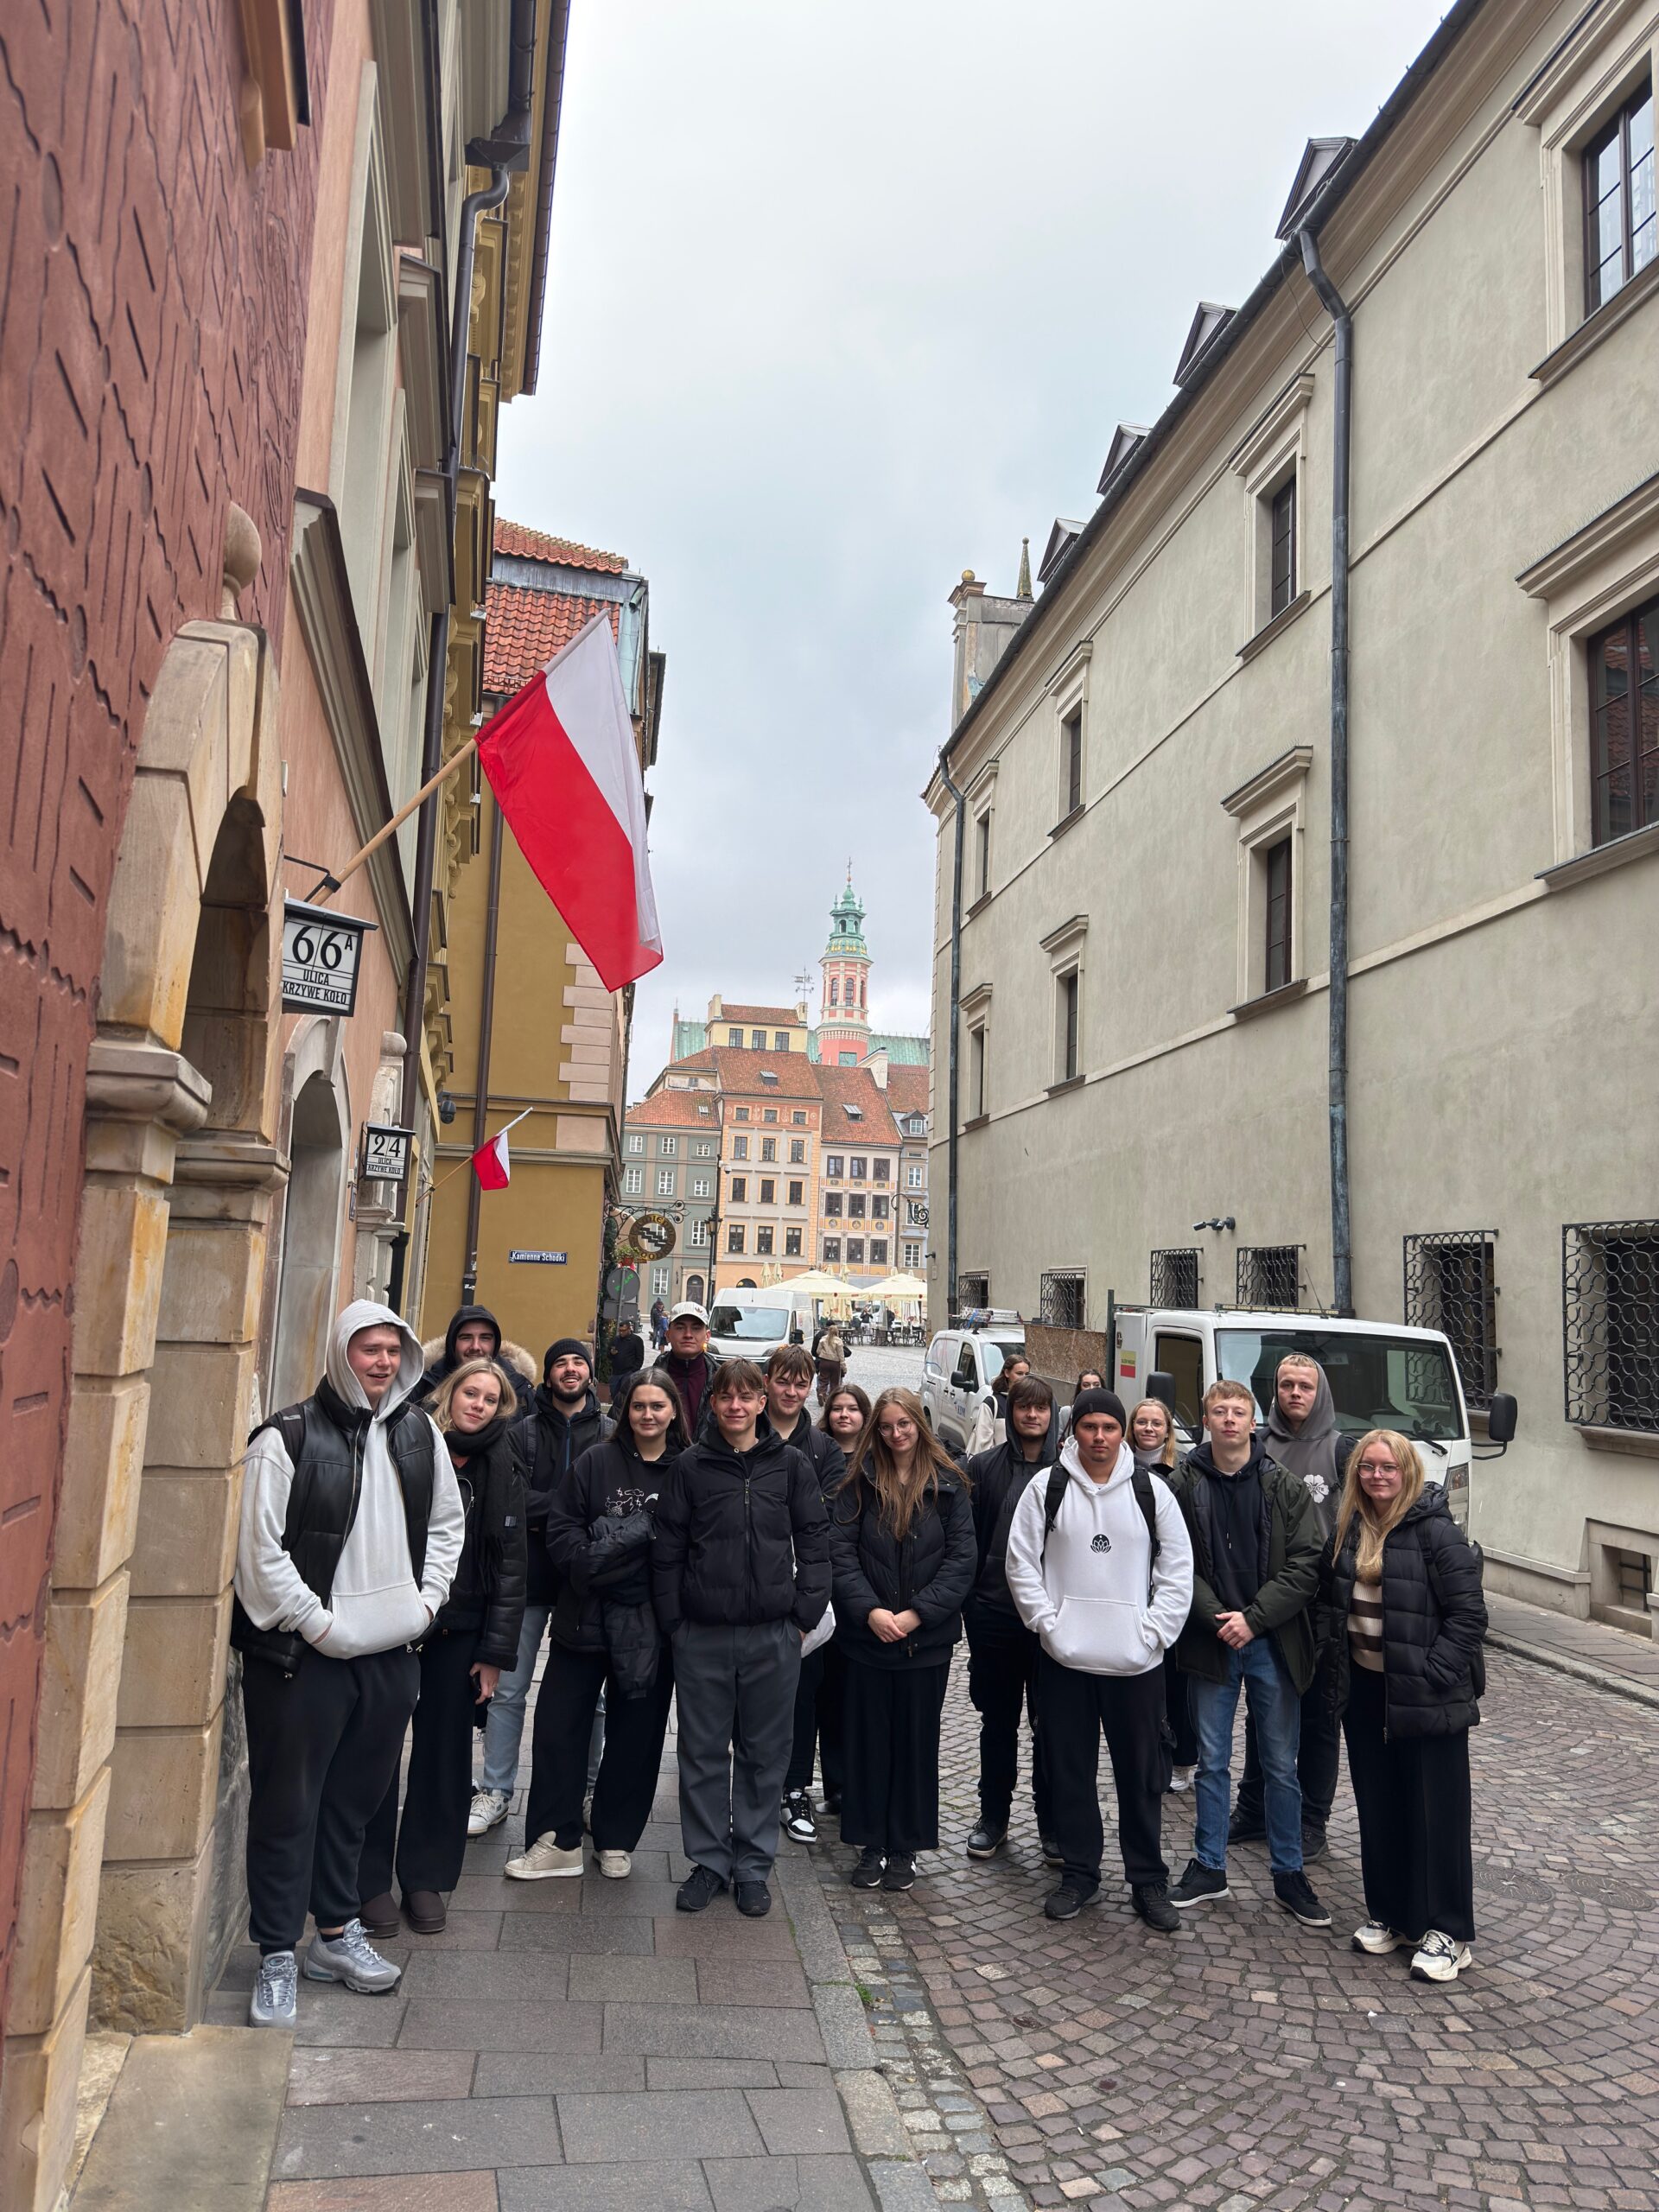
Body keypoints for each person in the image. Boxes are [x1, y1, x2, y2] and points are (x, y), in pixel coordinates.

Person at [232, 1300, 465, 2029]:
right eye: (369, 1349)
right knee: (287, 1806)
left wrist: (426, 1605)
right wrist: (318, 1623)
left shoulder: (420, 1434)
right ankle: (277, 1951)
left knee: (355, 1805)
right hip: (304, 1658)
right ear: (341, 1353)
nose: (383, 1362)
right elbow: (260, 1554)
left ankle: (333, 1935)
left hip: (392, 1653)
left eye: (393, 1350)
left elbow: (448, 1526)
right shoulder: (287, 1437)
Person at [1005, 1388, 1192, 1931]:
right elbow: (1021, 1563)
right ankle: (1080, 1873)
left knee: (1142, 1777)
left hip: (1136, 1664)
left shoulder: (1151, 1491)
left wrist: (1153, 1633)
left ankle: (1147, 1880)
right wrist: (1049, 1625)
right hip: (1066, 1662)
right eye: (1090, 1427)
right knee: (1069, 1773)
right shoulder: (1047, 1487)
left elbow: (1178, 1569)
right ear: (1075, 1431)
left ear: (1121, 1432)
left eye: (1109, 1427)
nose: (1100, 1437)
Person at [652, 1358, 830, 1917]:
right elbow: (667, 1549)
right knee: (703, 1752)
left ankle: (752, 1865)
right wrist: (676, 1624)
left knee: (764, 1754)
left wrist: (803, 1615)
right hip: (702, 1635)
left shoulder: (791, 1465)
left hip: (774, 1635)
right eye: (726, 1397)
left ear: (760, 1402)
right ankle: (709, 1861)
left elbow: (816, 1541)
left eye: (746, 1396)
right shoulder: (690, 1466)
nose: (736, 1406)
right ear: (714, 1404)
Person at [359, 1357, 527, 1934]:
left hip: (461, 1629)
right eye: (470, 1393)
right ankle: (367, 1881)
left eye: (490, 1398)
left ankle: (425, 1877)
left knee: (444, 1755)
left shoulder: (504, 1461)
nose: (478, 1404)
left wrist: (495, 1653)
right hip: (395, 1623)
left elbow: (511, 1565)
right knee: (377, 1748)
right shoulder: (409, 1443)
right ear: (450, 1395)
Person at [506, 1371, 687, 1881]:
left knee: (637, 1736)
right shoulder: (595, 1461)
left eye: (657, 1406)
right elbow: (563, 1529)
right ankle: (557, 1840)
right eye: (638, 1406)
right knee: (558, 1728)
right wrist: (598, 1563)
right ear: (625, 1411)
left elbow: (689, 1546)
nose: (647, 1415)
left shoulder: (687, 1469)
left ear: (673, 1411)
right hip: (583, 1615)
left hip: (650, 1626)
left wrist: (621, 1560)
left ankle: (615, 1837)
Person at [1323, 1430, 1486, 1984]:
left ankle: (1448, 1932)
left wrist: (1432, 1674)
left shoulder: (1436, 1531)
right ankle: (1394, 1914)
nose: (1377, 1476)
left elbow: (1469, 1616)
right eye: (1367, 1467)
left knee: (1436, 1814)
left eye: (1388, 1467)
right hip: (1369, 1693)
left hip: (1428, 1696)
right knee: (1381, 1806)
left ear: (1408, 1472)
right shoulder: (1350, 1528)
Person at [1165, 1380, 1330, 1929]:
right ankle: (1209, 1866)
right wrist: (1219, 1617)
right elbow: (1173, 1560)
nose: (1230, 1420)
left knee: (1280, 1765)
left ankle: (1289, 1873)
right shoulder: (1183, 1482)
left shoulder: (1283, 1485)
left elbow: (1306, 1563)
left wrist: (1254, 1619)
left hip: (1271, 1641)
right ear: (1207, 1420)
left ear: (1253, 1421)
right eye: (1220, 1411)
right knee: (1211, 1762)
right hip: (1211, 1639)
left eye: (1239, 1411)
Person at [830, 1389, 976, 1892]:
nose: (896, 1434)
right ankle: (872, 1843)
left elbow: (962, 1561)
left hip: (924, 1644)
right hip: (867, 1640)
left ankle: (905, 1848)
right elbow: (840, 1554)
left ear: (919, 1424)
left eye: (904, 1424)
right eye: (887, 1426)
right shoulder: (858, 1482)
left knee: (915, 1747)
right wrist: (870, 1611)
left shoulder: (950, 1485)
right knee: (868, 1745)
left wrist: (918, 1615)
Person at [469, 1339, 610, 1837]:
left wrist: (548, 1508)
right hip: (526, 1578)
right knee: (508, 1691)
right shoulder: (521, 1431)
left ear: (589, 1374)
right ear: (547, 1376)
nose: (570, 1370)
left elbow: (612, 1505)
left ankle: (590, 1790)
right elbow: (508, 1500)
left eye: (578, 1362)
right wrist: (572, 1508)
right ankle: (496, 1791)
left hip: (584, 1582)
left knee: (592, 1697)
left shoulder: (610, 1432)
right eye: (560, 1363)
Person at [1232, 1354, 1344, 1860]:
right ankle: (1253, 1809)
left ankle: (1311, 1820)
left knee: (1319, 1719)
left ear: (1320, 1394)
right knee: (1263, 1712)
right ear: (1273, 1391)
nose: (1295, 1393)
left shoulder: (1342, 1450)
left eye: (1305, 1386)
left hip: (1322, 1607)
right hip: (1270, 1604)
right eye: (1286, 1385)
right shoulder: (1257, 1447)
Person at [961, 1373, 1061, 1862]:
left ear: (1052, 1414)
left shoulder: (1068, 1471)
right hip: (995, 1614)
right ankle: (993, 1817)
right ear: (1011, 1411)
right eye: (1024, 1407)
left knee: (1051, 1726)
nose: (1032, 1415)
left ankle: (1052, 1823)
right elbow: (968, 1544)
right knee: (997, 1723)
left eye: (1041, 1408)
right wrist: (973, 1605)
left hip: (1050, 1623)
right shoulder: (983, 1469)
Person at [767, 1345, 849, 1844]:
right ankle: (754, 1787)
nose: (792, 1391)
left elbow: (829, 1518)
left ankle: (795, 1788)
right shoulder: (746, 1432)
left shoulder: (823, 1448)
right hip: (748, 1586)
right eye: (784, 1381)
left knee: (802, 1695)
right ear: (768, 1383)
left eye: (801, 1383)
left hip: (804, 1590)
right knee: (750, 1697)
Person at [1129, 1397, 1198, 1792]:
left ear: (1168, 1430)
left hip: (1167, 1584)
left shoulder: (1182, 1472)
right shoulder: (1118, 1466)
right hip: (1132, 1584)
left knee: (1176, 1680)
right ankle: (1147, 1753)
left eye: (1157, 1423)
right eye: (1142, 1422)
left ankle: (1182, 1758)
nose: (1149, 1429)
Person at [418, 1303, 535, 1404]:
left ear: (496, 1345)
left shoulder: (522, 1394)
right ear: (452, 1344)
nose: (475, 1347)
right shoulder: (423, 1388)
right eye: (466, 1338)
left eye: (485, 1338)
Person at [652, 1300, 720, 1435]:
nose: (688, 1334)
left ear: (707, 1336)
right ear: (668, 1335)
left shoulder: (723, 1382)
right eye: (680, 1327)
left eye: (696, 1328)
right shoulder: (645, 1382)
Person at [967, 1351, 1033, 1454]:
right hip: (996, 1462)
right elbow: (983, 1446)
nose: (1024, 1378)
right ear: (1007, 1373)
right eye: (1019, 1373)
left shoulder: (1031, 1404)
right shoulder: (992, 1404)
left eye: (1027, 1374)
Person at [820, 1380, 873, 1449]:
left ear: (865, 1415)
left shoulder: (878, 1453)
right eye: (837, 1409)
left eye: (853, 1409)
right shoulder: (813, 1449)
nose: (844, 1414)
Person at [1058, 1370, 1107, 1441]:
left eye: (1096, 1385)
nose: (1091, 1388)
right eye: (1086, 1385)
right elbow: (1055, 1441)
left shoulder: (1110, 1414)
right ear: (1080, 1388)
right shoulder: (1066, 1413)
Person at [608, 1317, 645, 1390]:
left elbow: (640, 1357)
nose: (621, 1332)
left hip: (629, 1372)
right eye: (620, 1330)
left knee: (625, 1393)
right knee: (614, 1393)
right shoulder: (616, 1339)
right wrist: (611, 1353)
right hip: (616, 1372)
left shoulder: (636, 1340)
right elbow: (609, 1354)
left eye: (624, 1330)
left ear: (629, 1329)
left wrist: (634, 1370)